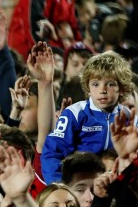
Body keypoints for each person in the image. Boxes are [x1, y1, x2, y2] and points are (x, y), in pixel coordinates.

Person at [41, 51, 135, 183]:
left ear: (122, 88)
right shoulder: (74, 113)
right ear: (88, 87)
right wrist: (58, 186)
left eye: (110, 84)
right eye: (96, 84)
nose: (102, 90)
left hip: (119, 184)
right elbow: (52, 152)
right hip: (81, 184)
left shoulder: (129, 118)